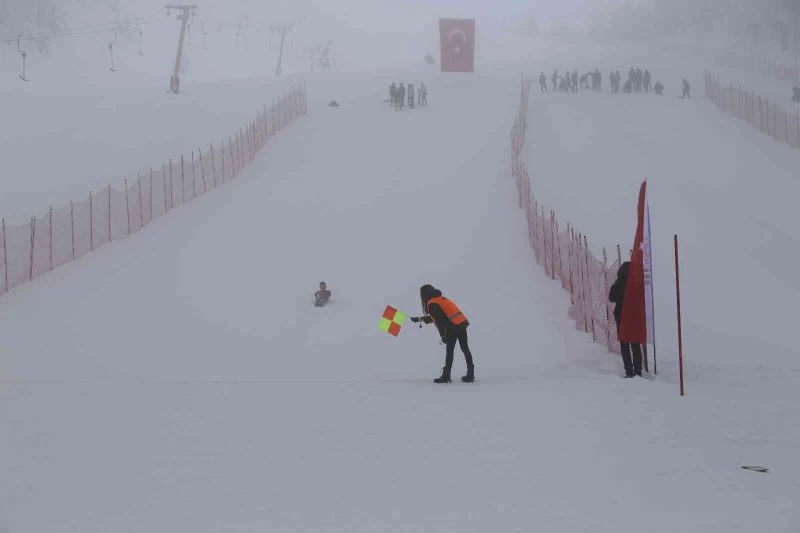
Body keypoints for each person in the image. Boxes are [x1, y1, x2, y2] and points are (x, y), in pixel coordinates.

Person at [410, 284, 475, 383]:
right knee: (464, 348)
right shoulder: (439, 299)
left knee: (449, 350)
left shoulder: (432, 303)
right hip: (461, 322)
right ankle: (470, 373)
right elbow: (436, 317)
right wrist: (420, 319)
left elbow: (440, 321)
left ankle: (446, 375)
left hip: (453, 326)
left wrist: (443, 335)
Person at [608, 262, 642, 377]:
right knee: (636, 345)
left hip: (621, 318)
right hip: (635, 317)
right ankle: (638, 371)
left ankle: (629, 371)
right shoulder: (636, 283)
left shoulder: (619, 283)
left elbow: (611, 298)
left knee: (624, 345)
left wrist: (614, 285)